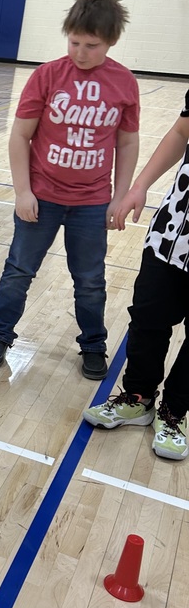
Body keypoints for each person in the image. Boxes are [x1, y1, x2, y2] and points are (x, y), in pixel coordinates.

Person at [0, 0, 140, 380]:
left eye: (91, 45)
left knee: (90, 280)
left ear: (112, 41)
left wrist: (119, 196)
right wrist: (22, 190)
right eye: (74, 42)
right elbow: (20, 136)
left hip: (91, 203)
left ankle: (92, 344)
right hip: (42, 198)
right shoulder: (47, 75)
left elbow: (127, 141)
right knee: (18, 270)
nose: (81, 52)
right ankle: (0, 334)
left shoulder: (124, 83)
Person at [83, 90, 189, 459]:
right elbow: (181, 131)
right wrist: (140, 185)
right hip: (172, 232)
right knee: (147, 318)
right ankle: (138, 398)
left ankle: (174, 413)